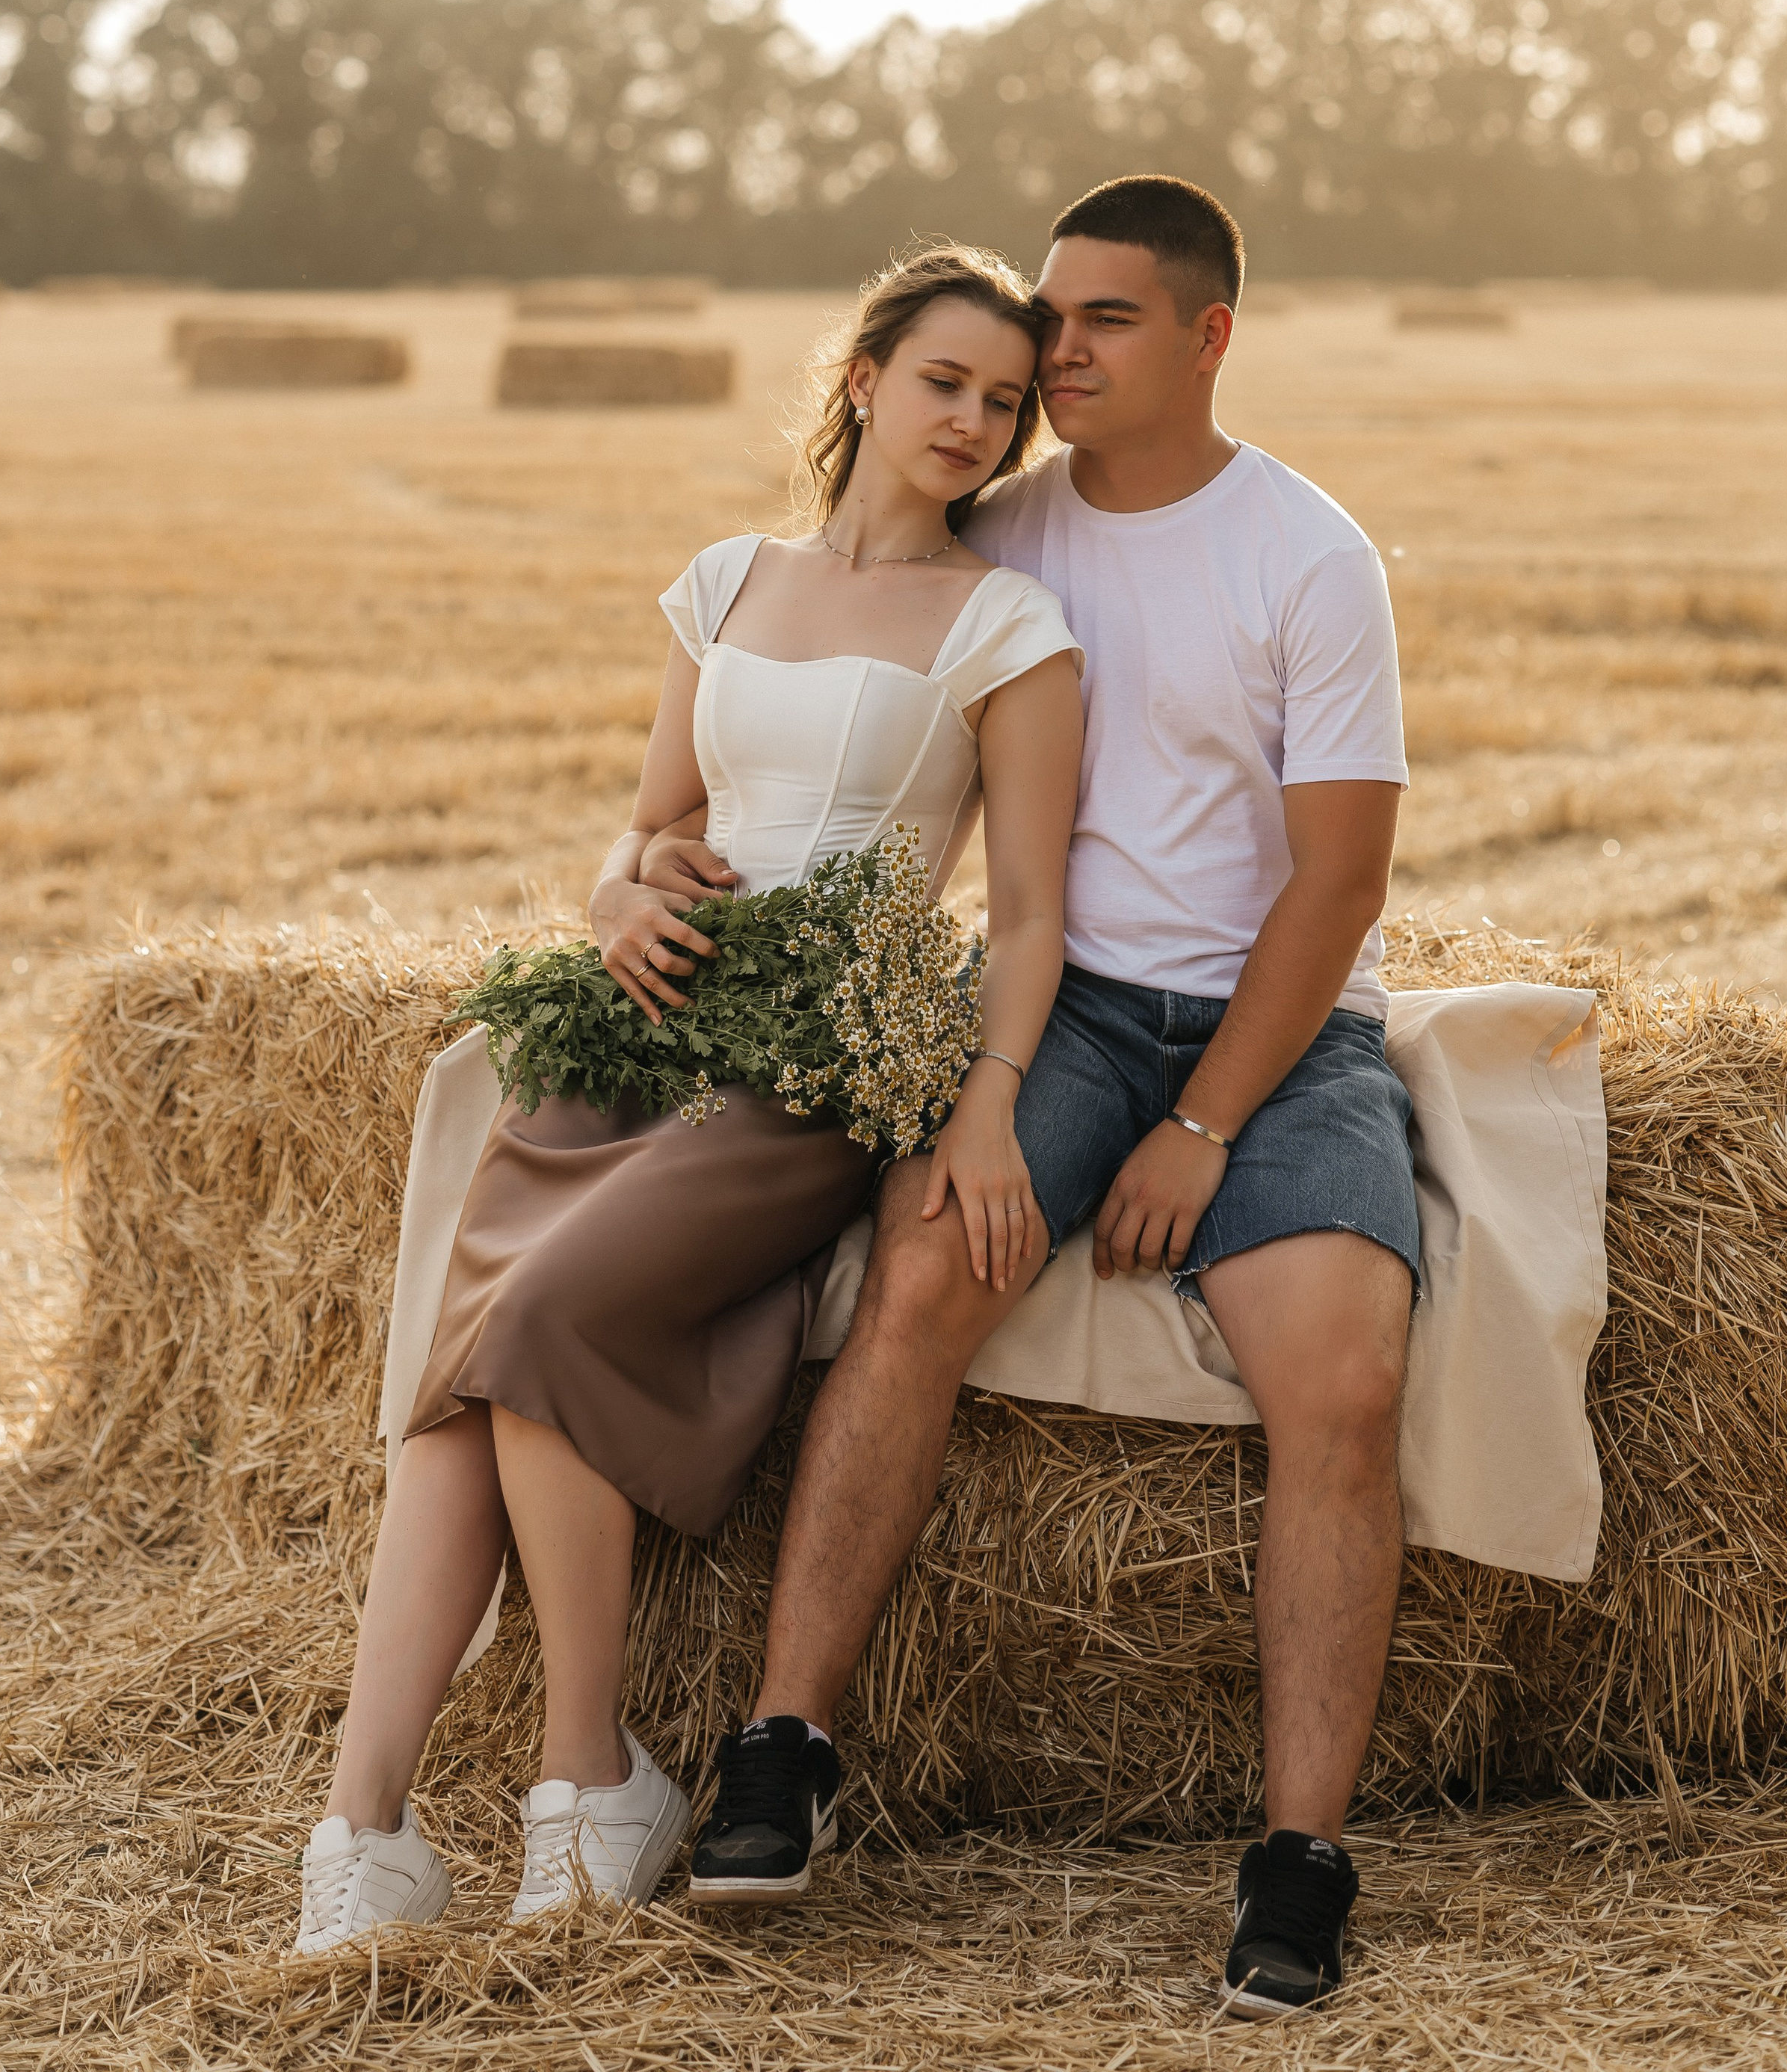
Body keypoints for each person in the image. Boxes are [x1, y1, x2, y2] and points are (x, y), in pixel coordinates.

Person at [291, 245, 1084, 1955]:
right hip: (640, 1022)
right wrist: (616, 899)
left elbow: (1024, 915)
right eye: (943, 382)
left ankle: (591, 1770)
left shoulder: (1006, 624)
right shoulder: (724, 580)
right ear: (864, 378)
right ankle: (361, 1828)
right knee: (454, 1386)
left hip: (823, 1059)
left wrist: (989, 1103)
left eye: (1003, 403)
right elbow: (647, 818)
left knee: (540, 1314)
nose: (972, 421)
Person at [679, 177, 1413, 2020]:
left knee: (1340, 1374)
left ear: (1206, 336)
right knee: (919, 1280)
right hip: (1062, 1012)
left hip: (1277, 1021)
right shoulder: (999, 535)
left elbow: (1334, 887)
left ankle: (1296, 1860)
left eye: (1098, 323)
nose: (1048, 357)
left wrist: (1204, 1125)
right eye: (1045, 324)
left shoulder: (1309, 557)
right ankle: (785, 1750)